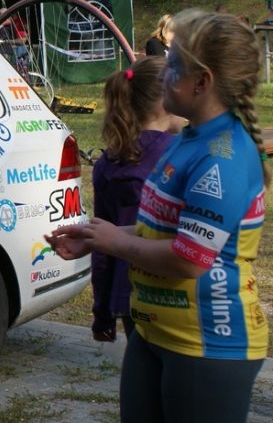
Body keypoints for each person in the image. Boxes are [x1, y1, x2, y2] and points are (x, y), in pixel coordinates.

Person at [47, 9, 269, 423]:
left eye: (173, 66)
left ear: (201, 82)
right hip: (155, 332)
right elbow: (163, 229)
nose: (162, 74)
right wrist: (97, 235)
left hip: (206, 343)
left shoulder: (222, 156)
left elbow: (189, 258)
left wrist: (116, 242)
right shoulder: (187, 138)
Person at [89, 56, 185, 342]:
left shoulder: (106, 162)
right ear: (166, 100)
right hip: (176, 290)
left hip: (129, 294)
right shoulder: (182, 153)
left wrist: (102, 313)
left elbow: (101, 245)